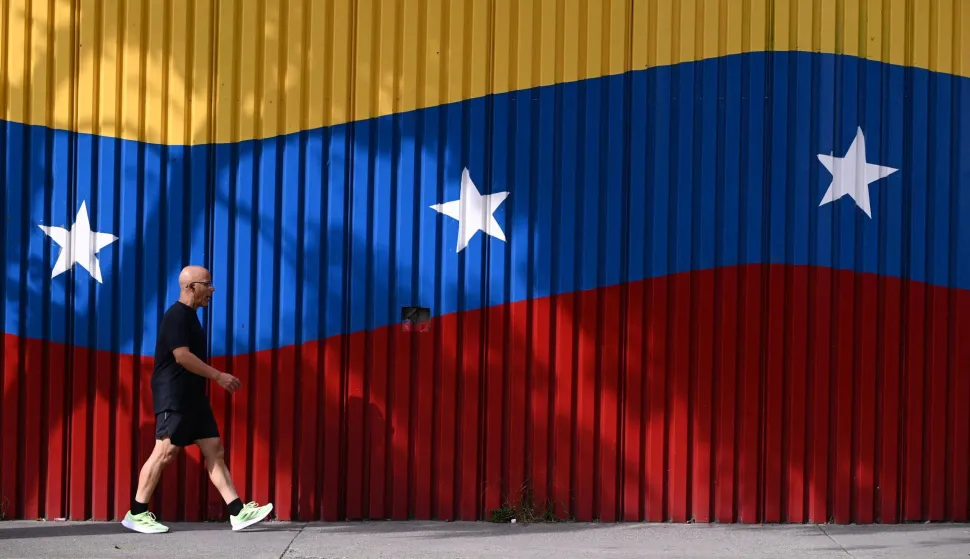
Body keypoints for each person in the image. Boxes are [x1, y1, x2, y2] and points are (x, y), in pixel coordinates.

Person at [122, 265, 273, 533]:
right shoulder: (176, 317)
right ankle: (137, 512)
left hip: (193, 397)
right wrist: (218, 376)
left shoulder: (191, 317)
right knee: (165, 451)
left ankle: (237, 512)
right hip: (175, 395)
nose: (212, 289)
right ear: (191, 287)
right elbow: (182, 356)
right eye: (207, 283)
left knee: (214, 449)